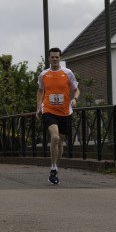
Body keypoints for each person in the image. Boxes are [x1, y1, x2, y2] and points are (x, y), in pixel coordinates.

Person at [36, 47, 80, 185]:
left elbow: (76, 90)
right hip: (49, 110)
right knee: (54, 137)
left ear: (60, 58)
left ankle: (55, 169)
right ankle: (53, 168)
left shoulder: (68, 73)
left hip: (65, 111)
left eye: (57, 57)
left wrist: (74, 99)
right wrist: (38, 107)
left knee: (60, 143)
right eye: (52, 57)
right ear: (49, 58)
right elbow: (40, 91)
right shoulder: (44, 75)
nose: (55, 59)